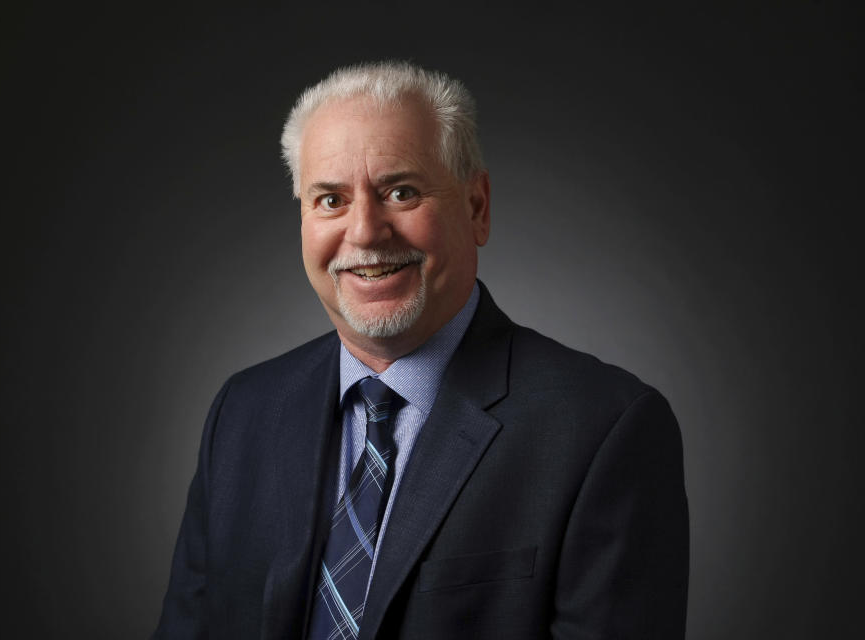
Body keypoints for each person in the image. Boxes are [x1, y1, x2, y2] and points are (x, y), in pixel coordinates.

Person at [155, 61, 688, 639]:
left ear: (476, 206)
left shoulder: (603, 430)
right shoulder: (243, 413)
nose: (364, 232)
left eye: (400, 191)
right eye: (330, 200)